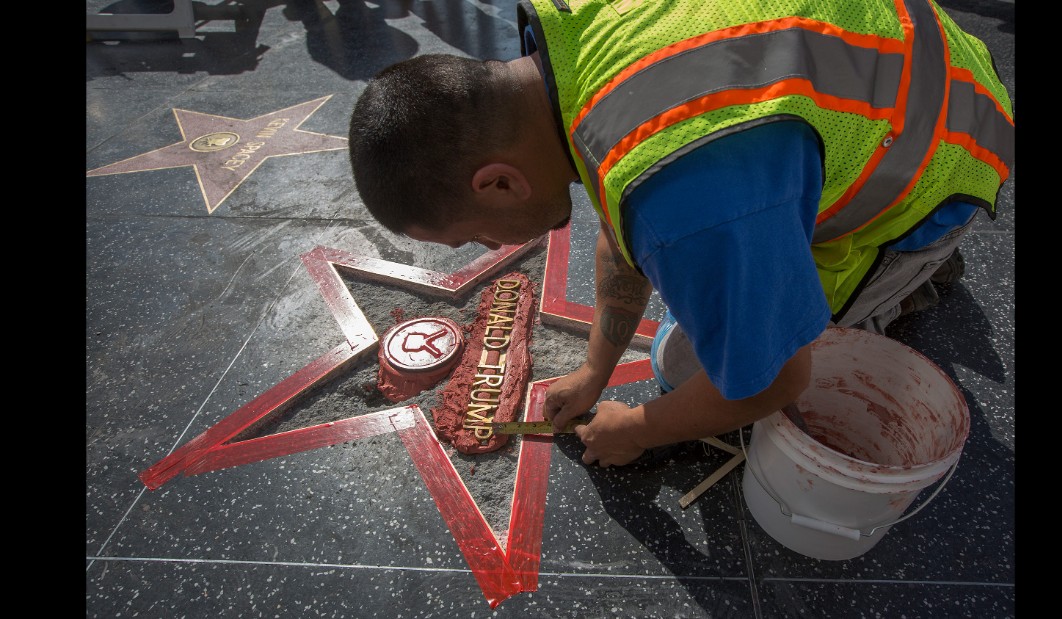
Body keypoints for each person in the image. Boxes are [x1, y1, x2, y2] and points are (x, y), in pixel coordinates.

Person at [347, 0, 1015, 467]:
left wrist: (641, 427)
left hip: (947, 136)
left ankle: (914, 268)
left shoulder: (688, 197)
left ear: (497, 183)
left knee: (708, 362)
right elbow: (620, 214)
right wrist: (594, 372)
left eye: (474, 238)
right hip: (882, 53)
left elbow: (773, 379)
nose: (494, 252)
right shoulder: (569, 49)